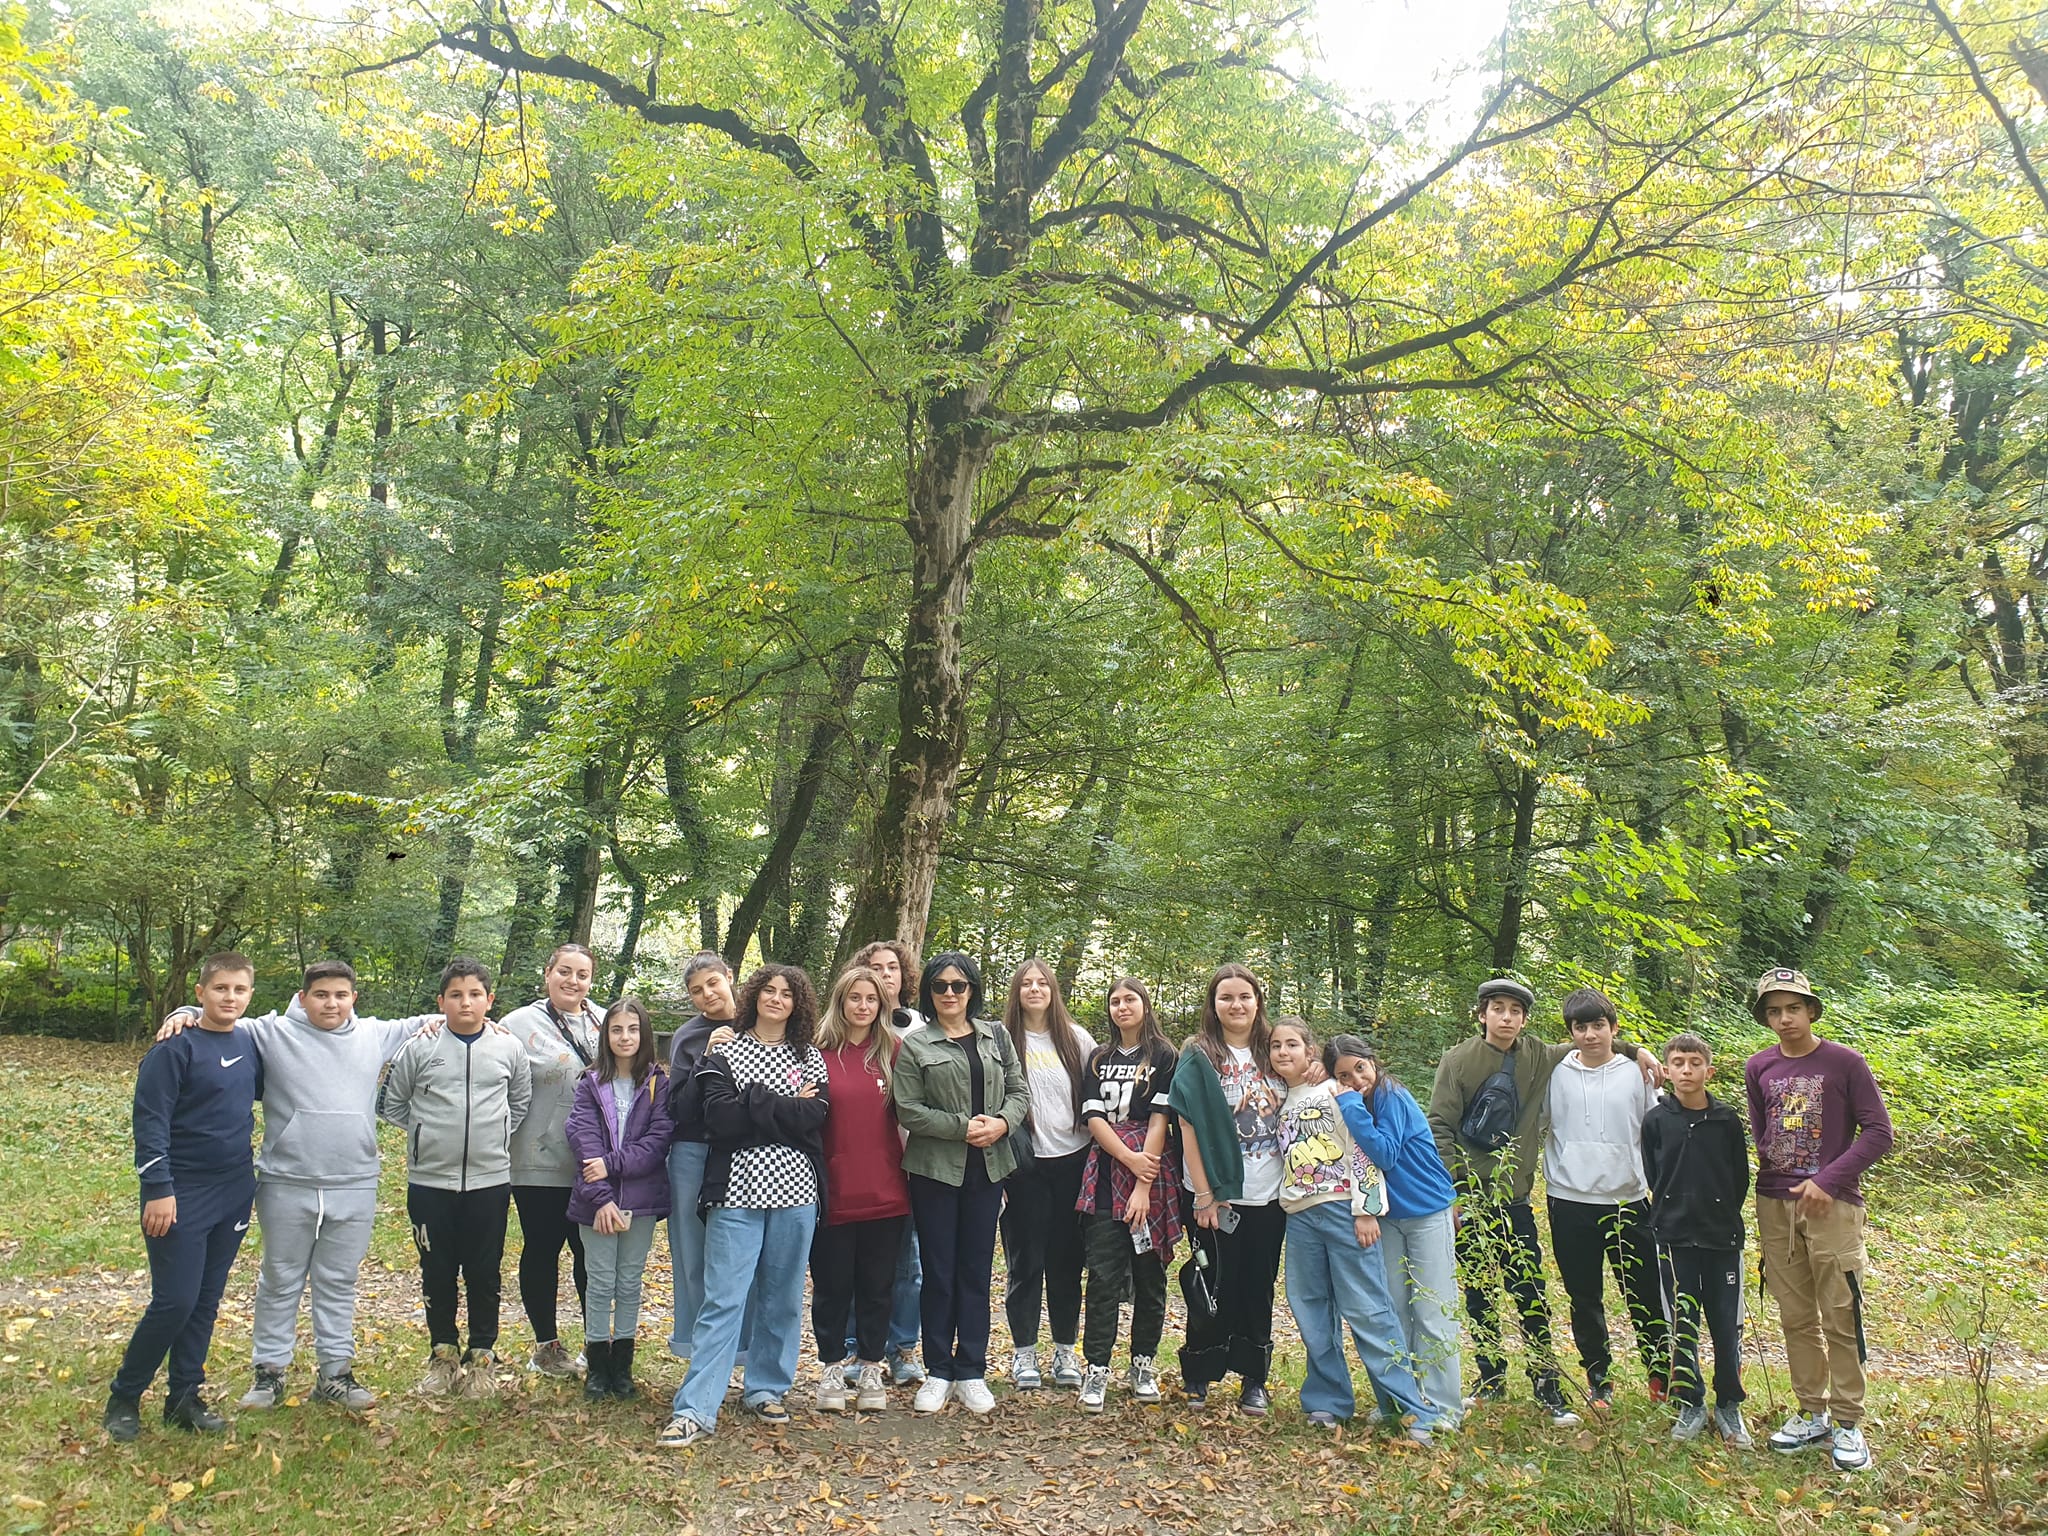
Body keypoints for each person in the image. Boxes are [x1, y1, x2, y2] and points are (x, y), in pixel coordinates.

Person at [155, 959, 443, 1412]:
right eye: (322, 995)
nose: (332, 1003)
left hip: (355, 1182)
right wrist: (180, 1014)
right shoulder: (269, 1033)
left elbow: (443, 1016)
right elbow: (216, 1018)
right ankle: (269, 1372)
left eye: (341, 995)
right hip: (286, 1180)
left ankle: (335, 1372)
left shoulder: (374, 1034)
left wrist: (493, 1027)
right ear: (303, 996)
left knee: (339, 1279)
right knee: (281, 1277)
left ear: (354, 999)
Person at [1426, 976, 1657, 1426]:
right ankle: (1490, 1376)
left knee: (1529, 1290)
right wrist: (1456, 1190)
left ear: (1525, 1019)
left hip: (1516, 1198)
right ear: (1482, 1014)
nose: (1506, 1017)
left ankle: (1546, 1381)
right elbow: (1439, 1125)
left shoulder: (1539, 1056)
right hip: (1470, 1199)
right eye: (1498, 1009)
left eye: (1515, 1010)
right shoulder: (1457, 1061)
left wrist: (1637, 1051)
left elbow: (1594, 1042)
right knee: (1478, 1291)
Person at [659, 964, 829, 1448]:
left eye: (786, 993)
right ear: (753, 994)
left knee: (782, 1298)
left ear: (797, 1003)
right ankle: (695, 1407)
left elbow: (813, 1116)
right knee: (724, 1300)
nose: (776, 999)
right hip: (734, 1192)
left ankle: (766, 1388)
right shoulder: (724, 1049)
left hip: (797, 1196)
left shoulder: (810, 1056)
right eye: (769, 990)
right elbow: (719, 1118)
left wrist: (752, 1101)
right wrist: (779, 1104)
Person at [104, 954, 263, 1442]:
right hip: (180, 1193)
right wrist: (158, 1189)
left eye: (238, 989)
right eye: (220, 988)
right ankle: (124, 1397)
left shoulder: (251, 1044)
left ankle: (183, 1399)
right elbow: (149, 1121)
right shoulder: (175, 1047)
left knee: (206, 1300)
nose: (229, 997)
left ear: (250, 995)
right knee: (174, 1299)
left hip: (234, 1190)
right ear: (200, 993)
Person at [1744, 967, 1895, 1473]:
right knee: (1795, 1315)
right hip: (1775, 1204)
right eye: (1773, 1010)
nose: (1784, 1018)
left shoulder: (1845, 1063)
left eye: (1793, 1008)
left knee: (1840, 1312)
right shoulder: (1759, 1066)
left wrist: (1827, 1180)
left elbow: (1878, 1132)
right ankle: (1812, 1412)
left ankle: (1849, 1421)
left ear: (1811, 1010)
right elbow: (1764, 1136)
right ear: (1765, 1017)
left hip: (1832, 1206)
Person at [1268, 1017, 1444, 1438]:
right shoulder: (1278, 1098)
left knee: (1369, 1310)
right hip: (1300, 1215)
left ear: (1311, 1051)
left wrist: (1366, 1208)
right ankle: (1328, 1402)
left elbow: (1362, 1148)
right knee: (1310, 1308)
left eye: (1293, 1044)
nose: (1283, 1052)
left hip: (1345, 1211)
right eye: (1275, 1046)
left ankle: (1411, 1409)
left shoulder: (1334, 1091)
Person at [377, 957, 533, 1397]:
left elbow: (519, 1103)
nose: (466, 1003)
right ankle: (442, 1355)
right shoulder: (419, 1047)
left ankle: (482, 1357)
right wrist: (430, 1134)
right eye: (456, 995)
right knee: (437, 1270)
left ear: (490, 1000)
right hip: (430, 1183)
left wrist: (492, 1136)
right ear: (441, 1002)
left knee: (485, 1273)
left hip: (489, 1181)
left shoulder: (508, 1048)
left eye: (475, 994)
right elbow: (390, 1103)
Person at [892, 952, 1030, 1416]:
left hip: (988, 1169)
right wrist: (960, 1127)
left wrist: (1003, 1124)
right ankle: (938, 1370)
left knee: (974, 1270)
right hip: (934, 1171)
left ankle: (971, 1370)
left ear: (973, 989)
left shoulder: (998, 1036)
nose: (950, 993)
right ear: (929, 993)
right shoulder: (917, 1045)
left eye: (959, 985)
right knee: (939, 1271)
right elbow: (906, 1108)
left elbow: (1019, 1091)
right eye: (940, 986)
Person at [1324, 1034, 1462, 1428]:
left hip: (1427, 1212)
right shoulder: (1355, 1101)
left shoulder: (1391, 1096)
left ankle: (1443, 1408)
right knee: (1394, 1311)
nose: (1355, 1080)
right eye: (1343, 1076)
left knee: (1432, 1310)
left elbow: (1384, 1152)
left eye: (1360, 1069)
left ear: (1374, 1062)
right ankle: (1403, 1403)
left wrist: (1348, 1100)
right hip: (1385, 1219)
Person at [1168, 963, 1288, 1415]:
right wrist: (1203, 1195)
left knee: (1258, 1287)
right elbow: (1187, 1124)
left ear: (1258, 1000)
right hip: (1213, 1195)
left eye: (1244, 996)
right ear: (1213, 1004)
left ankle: (1253, 1377)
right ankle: (1199, 1371)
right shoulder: (1199, 1054)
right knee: (1211, 1284)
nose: (1236, 1005)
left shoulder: (1275, 1049)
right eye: (1226, 998)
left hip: (1269, 1193)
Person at [1543, 988, 1670, 1409]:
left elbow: (1656, 1132)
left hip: (1627, 1199)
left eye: (1599, 1025)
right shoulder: (1553, 1072)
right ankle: (1600, 1380)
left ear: (1614, 1029)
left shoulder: (1637, 1073)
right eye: (1581, 1027)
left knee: (1645, 1293)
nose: (1591, 1035)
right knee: (1585, 1297)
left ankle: (1660, 1377)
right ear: (1571, 1033)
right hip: (1568, 1199)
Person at [1075, 977, 1181, 1411]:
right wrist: (1126, 1159)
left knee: (1150, 1276)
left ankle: (1143, 1363)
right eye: (1115, 1001)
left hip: (1152, 1175)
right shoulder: (1098, 1058)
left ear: (1145, 1003)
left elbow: (1159, 1119)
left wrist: (1143, 1180)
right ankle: (1096, 1368)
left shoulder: (1163, 1055)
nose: (1122, 1007)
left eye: (1130, 999)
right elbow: (1094, 1119)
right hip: (1106, 1170)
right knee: (1102, 1276)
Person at [809, 965, 911, 1413]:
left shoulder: (895, 1051)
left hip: (887, 1190)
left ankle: (871, 1365)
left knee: (878, 1285)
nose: (863, 1006)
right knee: (832, 1285)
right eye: (855, 998)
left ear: (881, 1004)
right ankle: (832, 1364)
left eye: (871, 999)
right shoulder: (817, 1051)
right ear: (841, 1000)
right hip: (831, 1190)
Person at [1643, 1032, 1752, 1448]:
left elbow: (1738, 1176)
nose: (1686, 1070)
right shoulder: (1656, 1120)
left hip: (1722, 1239)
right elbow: (1654, 1173)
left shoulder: (1725, 1120)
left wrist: (1720, 1213)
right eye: (1678, 1063)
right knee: (1681, 1324)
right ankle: (1690, 1403)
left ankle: (1729, 1405)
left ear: (1709, 1070)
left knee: (1726, 1326)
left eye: (1694, 1062)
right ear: (1665, 1071)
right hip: (1673, 1238)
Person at [500, 942, 604, 1380]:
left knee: (589, 1253)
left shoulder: (603, 1020)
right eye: (564, 971)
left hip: (593, 1162)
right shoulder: (518, 1024)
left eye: (581, 974)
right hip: (536, 1158)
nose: (572, 981)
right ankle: (547, 1345)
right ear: (547, 973)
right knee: (543, 1247)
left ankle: (595, 1344)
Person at [565, 996, 672, 1402]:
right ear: (605, 1035)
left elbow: (658, 1141)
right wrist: (602, 1199)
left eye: (632, 1029)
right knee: (599, 1282)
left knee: (629, 1282)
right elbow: (583, 1144)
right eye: (616, 1029)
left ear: (643, 1034)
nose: (625, 1037)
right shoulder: (590, 1083)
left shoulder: (657, 1084)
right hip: (596, 1204)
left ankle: (623, 1366)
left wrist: (611, 1164)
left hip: (641, 1202)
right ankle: (598, 1366)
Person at [999, 959, 1096, 1392]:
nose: (1035, 989)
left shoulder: (1077, 1039)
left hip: (1073, 1163)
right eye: (1026, 983)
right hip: (1025, 1165)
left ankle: (1063, 1351)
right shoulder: (1001, 1040)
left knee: (1065, 1262)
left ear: (1054, 990)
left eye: (1042, 982)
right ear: (1016, 992)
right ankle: (1023, 1355)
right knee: (1025, 1262)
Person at [849, 937, 928, 1386]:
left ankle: (902, 1349)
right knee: (858, 1260)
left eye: (892, 967)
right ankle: (853, 1348)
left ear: (904, 977)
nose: (884, 974)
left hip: (913, 1160)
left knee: (906, 1263)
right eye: (874, 967)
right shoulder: (849, 1030)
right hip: (862, 1162)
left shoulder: (919, 1029)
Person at [664, 950, 745, 1368]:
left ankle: (744, 1350)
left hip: (745, 1151)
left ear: (730, 977)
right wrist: (706, 1058)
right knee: (691, 1251)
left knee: (740, 1253)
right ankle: (696, 1349)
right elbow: (676, 1106)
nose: (708, 994)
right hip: (693, 1150)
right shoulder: (688, 1037)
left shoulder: (759, 1021)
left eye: (713, 983)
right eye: (697, 991)